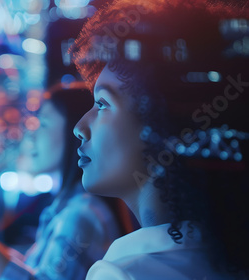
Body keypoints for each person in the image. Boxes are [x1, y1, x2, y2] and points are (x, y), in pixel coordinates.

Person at [70, 0, 249, 279]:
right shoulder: (226, 256)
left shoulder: (122, 274)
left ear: (162, 122)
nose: (79, 127)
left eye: (102, 103)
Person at [0, 84, 133, 280]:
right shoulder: (72, 206)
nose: (31, 135)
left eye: (44, 124)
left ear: (75, 132)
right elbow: (36, 270)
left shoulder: (81, 215)